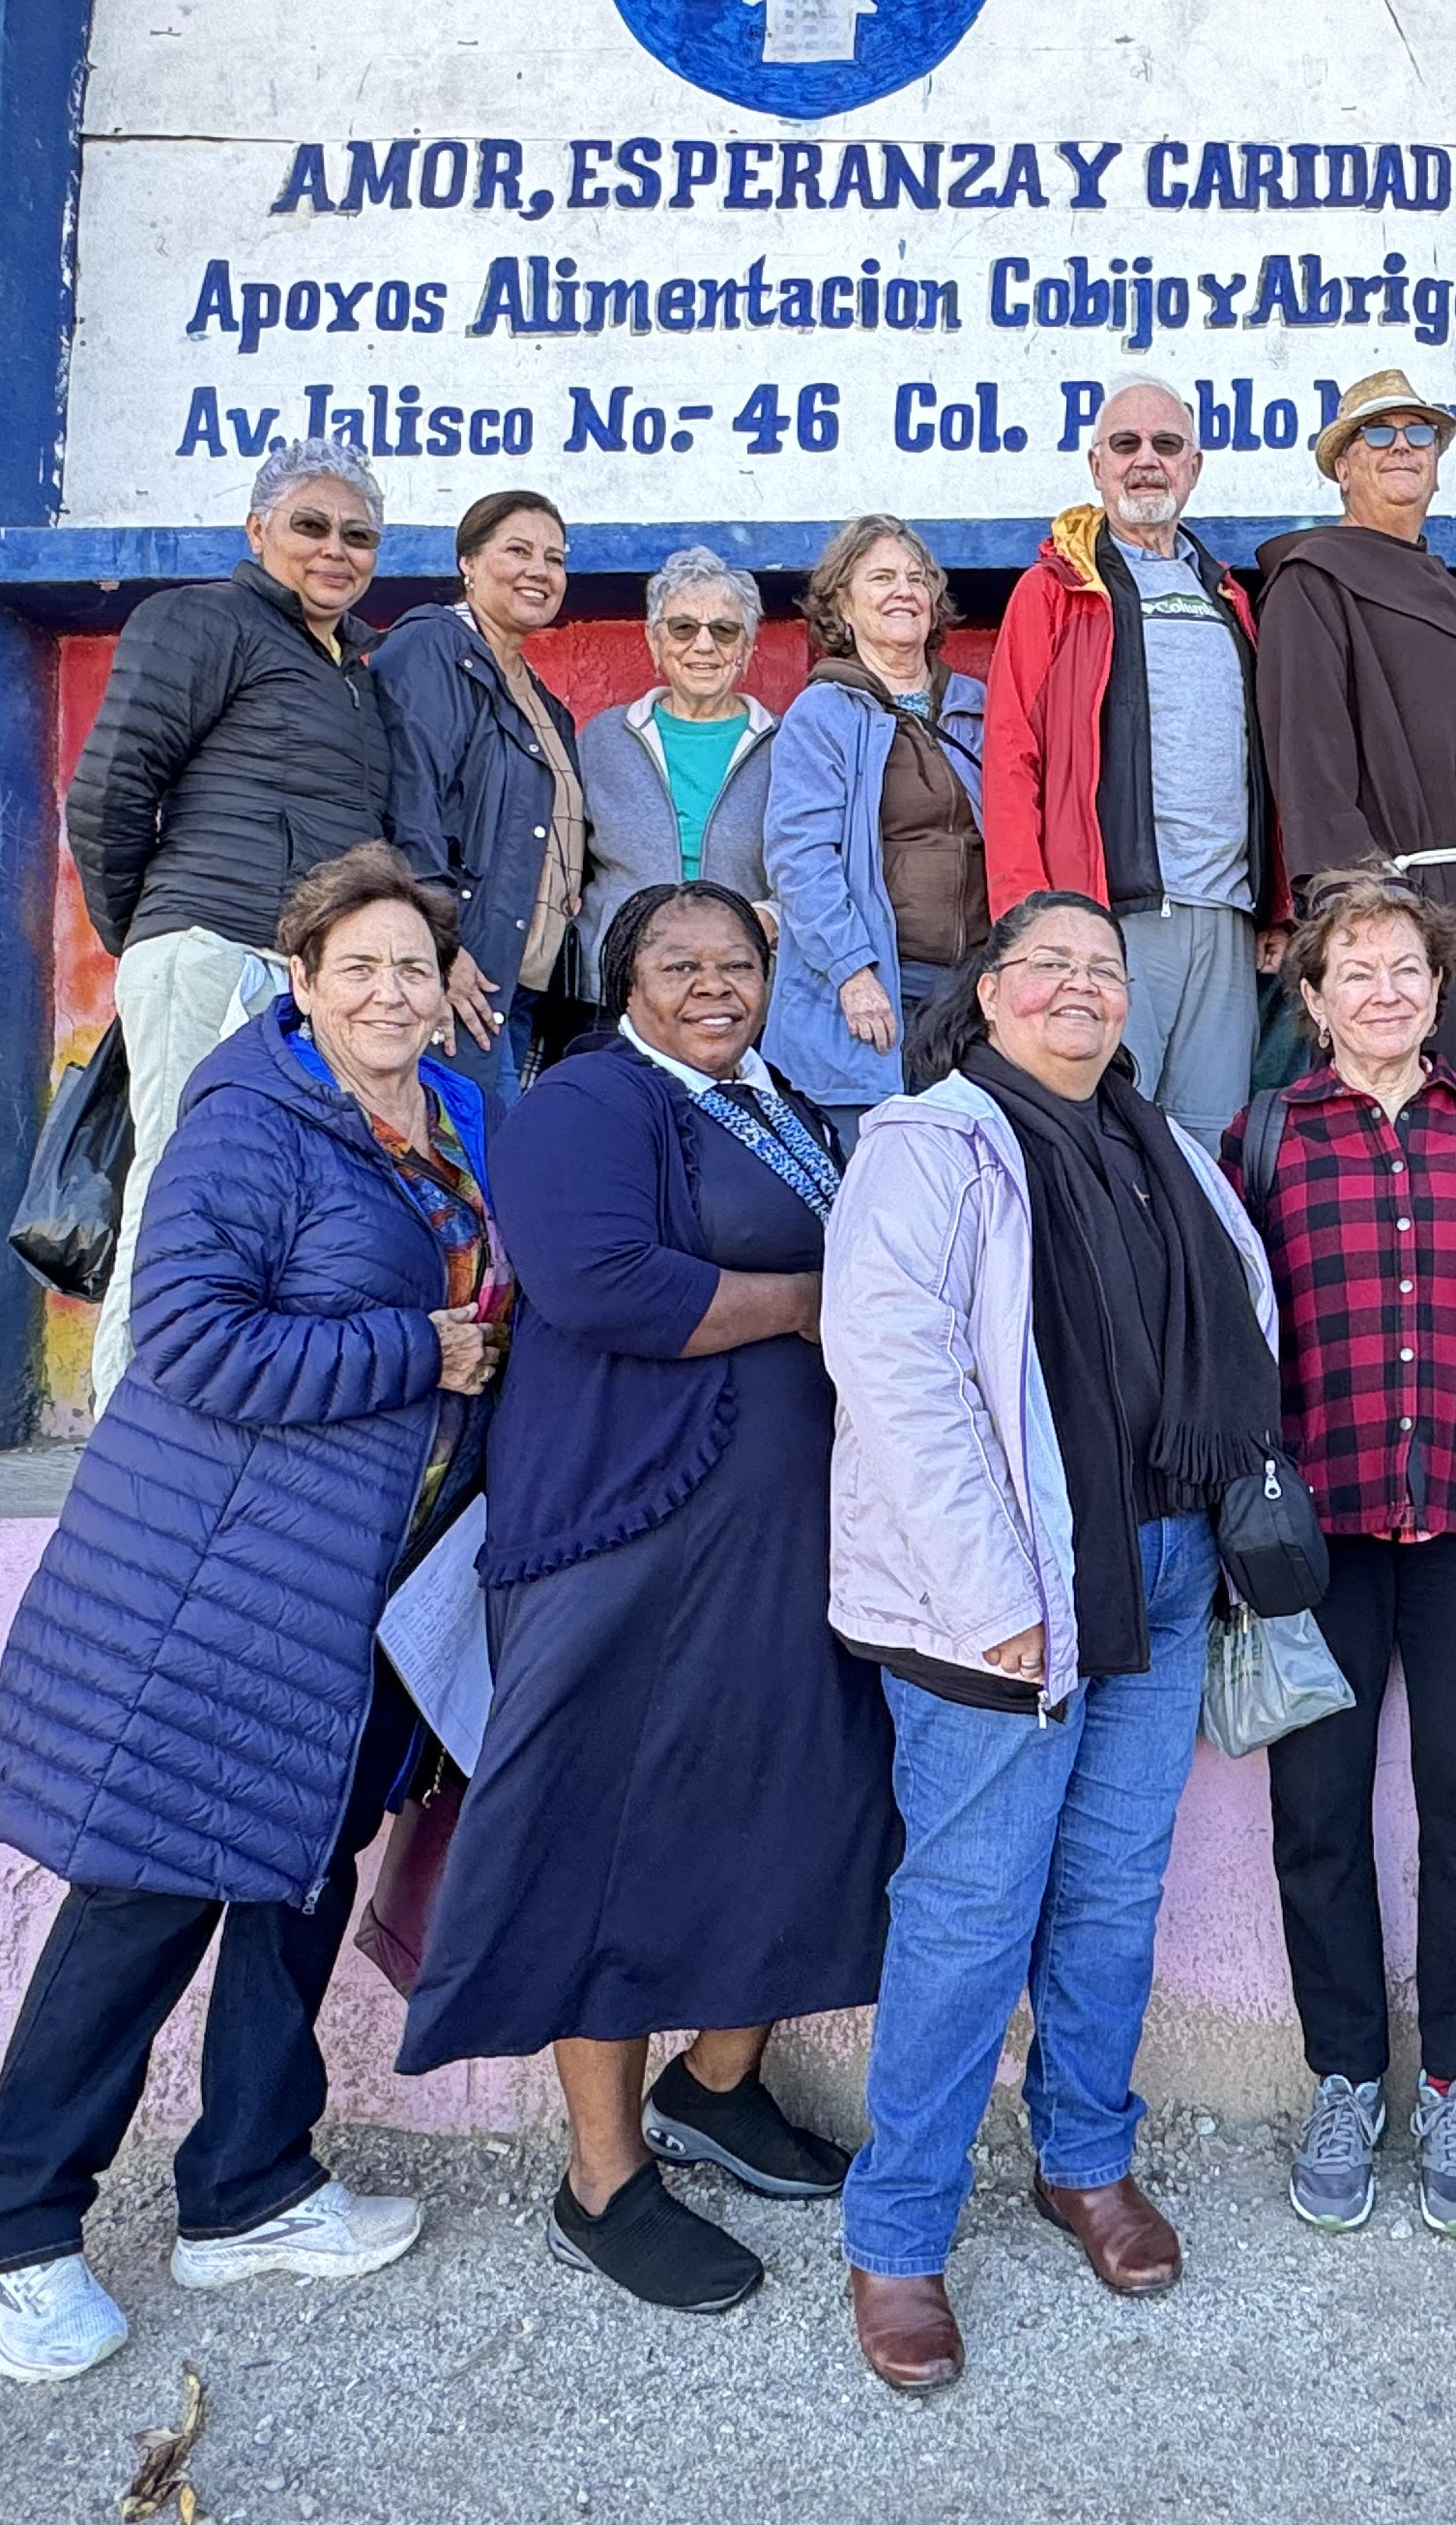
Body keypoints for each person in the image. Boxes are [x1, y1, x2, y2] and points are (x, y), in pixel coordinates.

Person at [0, 844, 502, 2384]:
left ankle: (249, 2187)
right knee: (143, 1899)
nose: (391, 992)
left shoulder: (447, 1117)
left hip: (366, 1589)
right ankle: (7, 2227)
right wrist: (420, 1355)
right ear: (303, 980)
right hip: (225, 1582)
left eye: (414, 966)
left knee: (297, 1884)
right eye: (360, 967)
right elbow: (189, 1341)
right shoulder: (250, 1124)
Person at [397, 881, 898, 2314]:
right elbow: (601, 1281)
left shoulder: (780, 1105)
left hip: (783, 1541)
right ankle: (603, 2177)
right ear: (628, 983)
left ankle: (717, 2086)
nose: (713, 983)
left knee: (795, 1806)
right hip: (627, 1533)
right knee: (604, 1840)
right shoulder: (586, 1103)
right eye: (679, 962)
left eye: (736, 962)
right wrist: (808, 1302)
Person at [818, 890, 1281, 2392]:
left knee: (1112, 1888)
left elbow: (1245, 1321)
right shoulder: (931, 1146)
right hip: (1005, 1595)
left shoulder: (1169, 1151)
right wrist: (990, 1590)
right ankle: (897, 2239)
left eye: (1106, 970)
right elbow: (898, 1381)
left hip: (1155, 1567)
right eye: (1051, 966)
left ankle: (1085, 2159)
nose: (1082, 988)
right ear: (992, 993)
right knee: (967, 1911)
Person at [1221, 867, 1456, 2243]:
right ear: (1310, 999)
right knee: (1319, 1817)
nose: (1382, 991)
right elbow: (1233, 1333)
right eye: (1353, 970)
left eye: (1405, 969)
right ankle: (1347, 2077)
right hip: (1320, 1537)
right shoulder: (1262, 1139)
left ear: (1437, 991)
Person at [67, 441, 400, 1408]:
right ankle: (134, 1421)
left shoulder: (350, 666)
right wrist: (152, 933)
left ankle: (218, 1412)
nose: (336, 550)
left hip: (297, 969)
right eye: (311, 525)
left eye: (359, 535)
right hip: (211, 949)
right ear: (257, 530)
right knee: (177, 1189)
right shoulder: (201, 619)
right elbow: (110, 791)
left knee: (272, 1195)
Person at [983, 380, 1284, 1148]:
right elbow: (1012, 758)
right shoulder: (1052, 592)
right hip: (1106, 917)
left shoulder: (1229, 597)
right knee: (1102, 1133)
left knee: (1211, 1146)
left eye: (1166, 445)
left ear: (1195, 465)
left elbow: (1264, 759)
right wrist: (1025, 921)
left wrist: (1275, 902)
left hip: (1225, 918)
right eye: (1126, 445)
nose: (1146, 461)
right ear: (1095, 466)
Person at [1256, 369, 1456, 1093]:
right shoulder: (1312, 580)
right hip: (1402, 910)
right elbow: (1309, 761)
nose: (1402, 446)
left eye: (1421, 433)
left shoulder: (1450, 588)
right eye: (1376, 432)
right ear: (1342, 466)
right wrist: (1365, 910)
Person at [764, 515, 990, 1129]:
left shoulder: (978, 705)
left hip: (972, 990)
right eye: (883, 577)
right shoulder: (824, 713)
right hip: (881, 983)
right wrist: (852, 971)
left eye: (917, 578)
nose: (904, 591)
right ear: (845, 604)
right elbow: (800, 858)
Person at [375, 488, 589, 1135]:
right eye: (517, 551)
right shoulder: (432, 651)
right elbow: (409, 806)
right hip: (461, 970)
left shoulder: (542, 700)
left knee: (498, 1159)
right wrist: (436, 949)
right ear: (468, 562)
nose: (539, 571)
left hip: (514, 981)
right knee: (465, 1157)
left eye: (554, 558)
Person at [574, 547, 778, 990]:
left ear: (746, 647)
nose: (703, 645)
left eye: (724, 630)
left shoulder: (784, 747)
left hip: (734, 986)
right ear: (654, 641)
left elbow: (811, 865)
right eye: (683, 627)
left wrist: (770, 917)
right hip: (618, 984)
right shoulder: (604, 739)